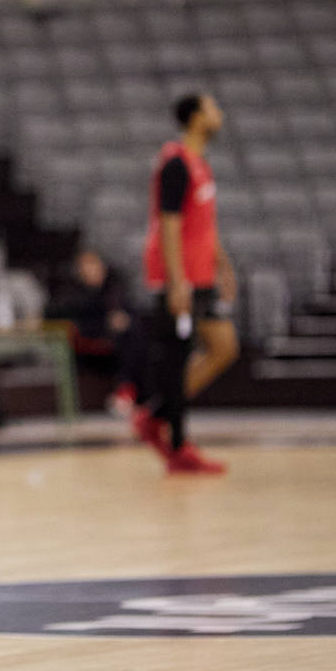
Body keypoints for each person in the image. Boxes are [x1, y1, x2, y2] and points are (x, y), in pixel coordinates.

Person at [134, 94, 239, 475]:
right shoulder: (175, 164)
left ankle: (156, 415)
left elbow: (205, 226)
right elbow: (169, 223)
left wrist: (224, 266)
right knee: (176, 361)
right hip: (178, 279)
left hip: (202, 274)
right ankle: (177, 444)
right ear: (196, 118)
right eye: (214, 108)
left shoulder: (199, 165)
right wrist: (177, 281)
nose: (220, 114)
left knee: (224, 346)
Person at [48, 249, 145, 410]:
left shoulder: (114, 288)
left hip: (118, 346)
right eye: (84, 265)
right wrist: (107, 324)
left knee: (134, 335)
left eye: (93, 264)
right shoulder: (72, 294)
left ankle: (129, 393)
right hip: (88, 351)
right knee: (130, 340)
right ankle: (128, 392)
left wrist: (122, 321)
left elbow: (131, 314)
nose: (89, 269)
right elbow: (74, 324)